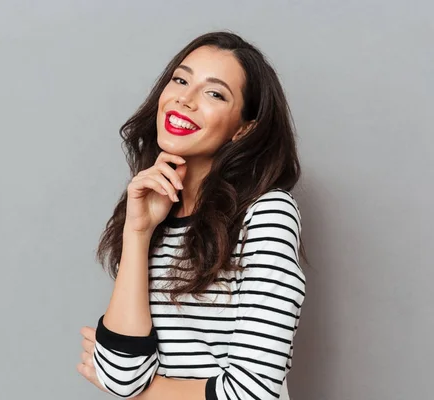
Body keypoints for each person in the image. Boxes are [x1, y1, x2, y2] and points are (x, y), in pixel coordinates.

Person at [77, 31, 306, 400]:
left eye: (214, 93)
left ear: (244, 128)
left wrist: (144, 395)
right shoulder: (152, 213)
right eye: (181, 80)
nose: (185, 99)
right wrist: (138, 232)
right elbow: (121, 376)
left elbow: (253, 393)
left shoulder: (266, 214)